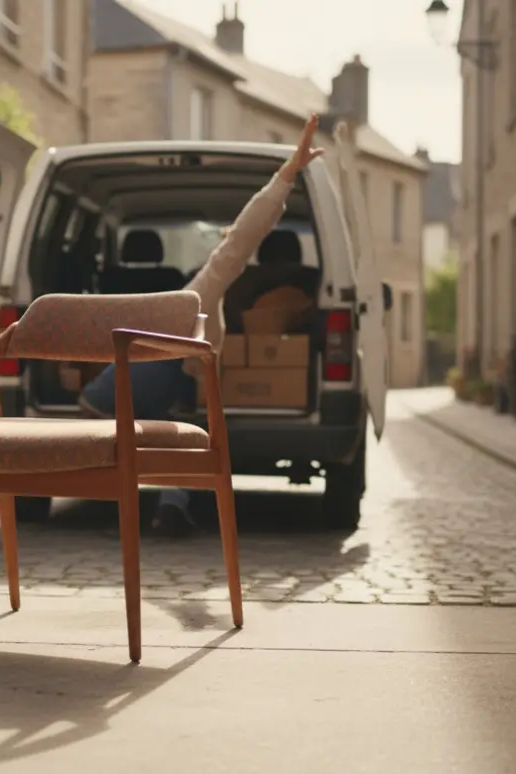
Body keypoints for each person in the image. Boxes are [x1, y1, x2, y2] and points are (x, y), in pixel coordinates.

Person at [78, 114, 326, 537]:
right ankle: (165, 502)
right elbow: (241, 242)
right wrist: (287, 175)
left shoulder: (202, 294)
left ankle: (149, 501)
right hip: (165, 378)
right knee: (177, 425)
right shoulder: (208, 294)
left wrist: (287, 175)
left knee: (149, 419)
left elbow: (241, 240)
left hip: (141, 378)